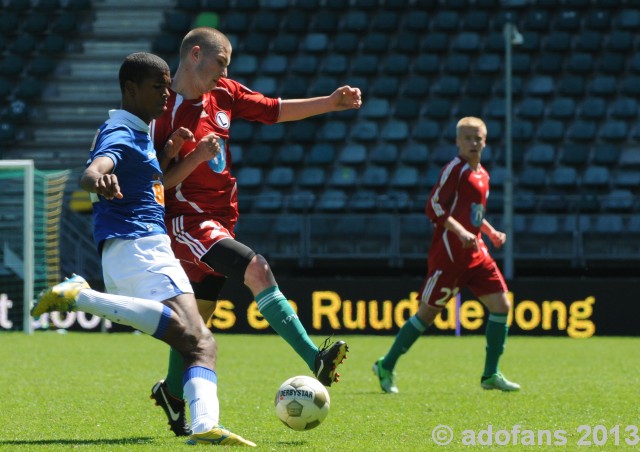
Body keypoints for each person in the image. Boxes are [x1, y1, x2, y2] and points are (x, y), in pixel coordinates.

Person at [31, 52, 255, 446]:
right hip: (140, 245)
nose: (167, 94)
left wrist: (168, 153)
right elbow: (96, 168)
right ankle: (83, 298)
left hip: (141, 245)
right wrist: (95, 179)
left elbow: (149, 180)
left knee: (198, 342)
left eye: (169, 86)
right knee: (198, 339)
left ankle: (204, 425)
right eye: (158, 86)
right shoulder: (122, 133)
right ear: (131, 89)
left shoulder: (137, 130)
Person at [148, 27, 361, 436]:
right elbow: (160, 183)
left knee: (198, 321)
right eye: (221, 62)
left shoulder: (223, 93)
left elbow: (273, 109)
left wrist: (331, 103)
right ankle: (314, 357)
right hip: (187, 221)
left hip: (221, 217)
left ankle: (173, 396)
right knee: (257, 268)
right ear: (195, 55)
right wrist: (194, 156)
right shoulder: (162, 111)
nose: (225, 71)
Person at [373, 117, 520, 394]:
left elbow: (474, 214)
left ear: (485, 140)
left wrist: (488, 231)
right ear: (457, 142)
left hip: (476, 253)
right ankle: (386, 364)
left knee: (502, 306)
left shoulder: (483, 175)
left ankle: (490, 374)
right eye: (467, 138)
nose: (473, 143)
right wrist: (461, 232)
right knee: (426, 316)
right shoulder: (455, 170)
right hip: (449, 256)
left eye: (477, 138)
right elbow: (434, 208)